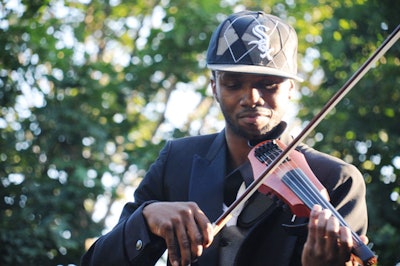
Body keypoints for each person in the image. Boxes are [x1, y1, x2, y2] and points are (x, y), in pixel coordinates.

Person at [81, 10, 370, 266]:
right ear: (214, 87)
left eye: (268, 85)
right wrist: (145, 219)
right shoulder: (176, 160)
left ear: (291, 89)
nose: (251, 98)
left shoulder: (336, 180)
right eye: (233, 84)